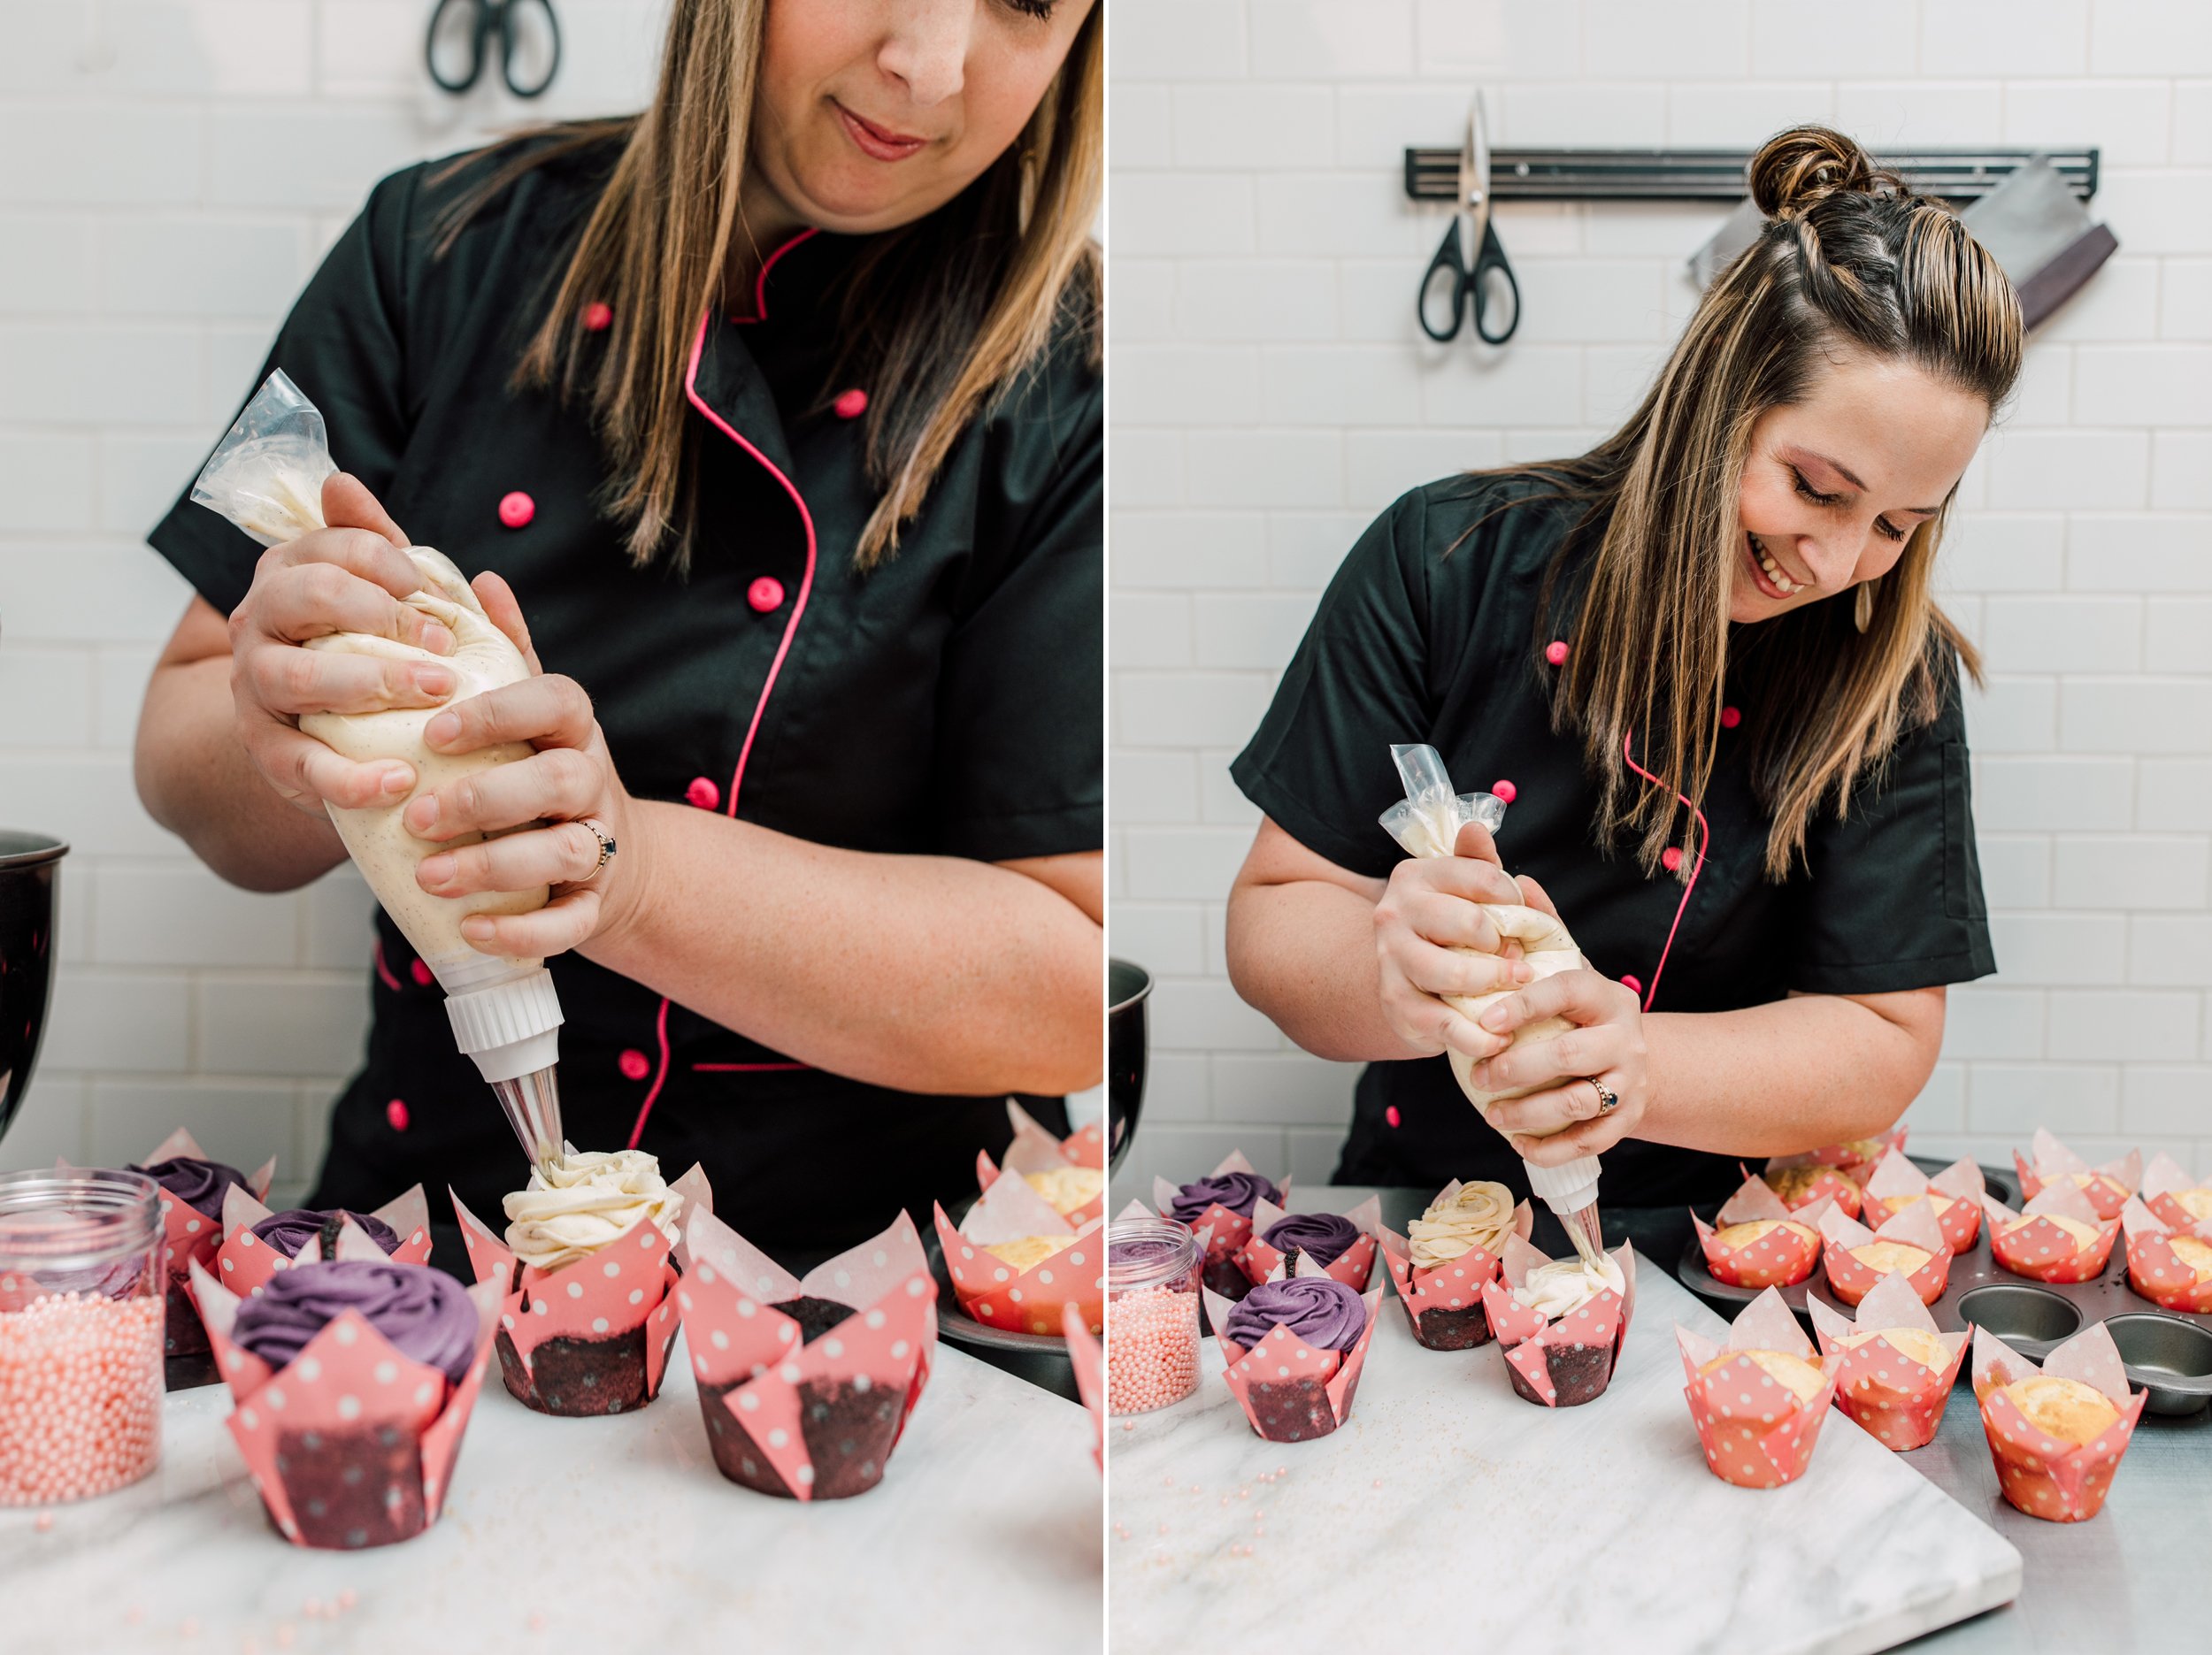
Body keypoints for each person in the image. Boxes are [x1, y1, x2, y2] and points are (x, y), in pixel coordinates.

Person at [135, 0, 1103, 1267]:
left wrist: (626, 870)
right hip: (418, 1268)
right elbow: (180, 754)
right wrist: (296, 737)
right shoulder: (443, 247)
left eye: (1025, 3)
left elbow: (1071, 990)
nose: (925, 67)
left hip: (861, 1295)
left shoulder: (1068, 386)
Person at [1224, 127, 2019, 1229]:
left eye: (1896, 524)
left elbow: (1882, 1036)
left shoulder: (1893, 674)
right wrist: (1390, 976)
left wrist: (1633, 1063)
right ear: (1717, 399)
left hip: (1717, 1240)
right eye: (1816, 488)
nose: (1836, 564)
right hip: (1423, 1209)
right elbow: (1273, 917)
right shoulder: (1445, 560)